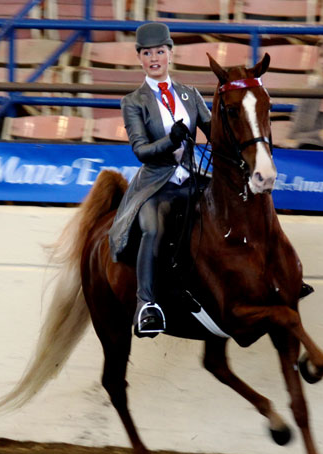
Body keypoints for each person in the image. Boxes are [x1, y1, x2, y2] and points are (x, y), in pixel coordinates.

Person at [107, 22, 212, 337]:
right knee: (152, 228)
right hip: (157, 183)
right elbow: (142, 151)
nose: (154, 58)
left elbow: (215, 132)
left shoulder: (190, 94)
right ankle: (146, 304)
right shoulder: (133, 102)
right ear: (139, 57)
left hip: (193, 176)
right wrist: (172, 140)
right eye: (147, 53)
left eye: (160, 52)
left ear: (170, 54)